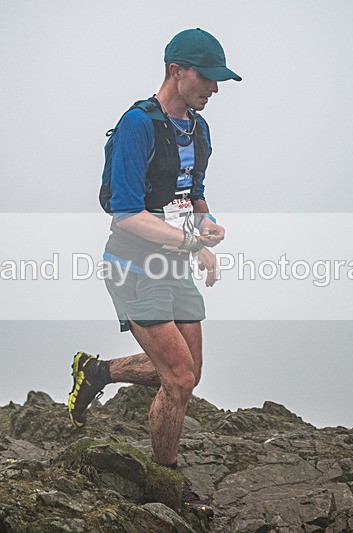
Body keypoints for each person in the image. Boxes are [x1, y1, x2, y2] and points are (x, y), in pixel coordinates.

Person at [67, 28, 240, 518]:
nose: (215, 88)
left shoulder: (198, 129)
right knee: (179, 377)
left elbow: (192, 191)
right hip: (131, 265)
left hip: (174, 261)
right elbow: (125, 212)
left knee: (189, 375)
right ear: (176, 71)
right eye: (208, 77)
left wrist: (205, 229)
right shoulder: (136, 126)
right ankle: (166, 482)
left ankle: (96, 371)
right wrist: (188, 241)